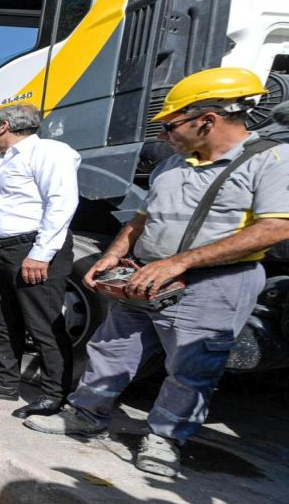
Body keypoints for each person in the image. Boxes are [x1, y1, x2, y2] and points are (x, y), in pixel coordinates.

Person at [25, 67, 289, 477]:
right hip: (145, 277)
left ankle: (165, 438)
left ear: (207, 119)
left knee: (191, 366)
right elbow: (141, 220)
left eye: (170, 125)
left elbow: (276, 227)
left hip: (215, 283)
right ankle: (86, 414)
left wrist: (179, 262)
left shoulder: (271, 160)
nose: (164, 136)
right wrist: (113, 254)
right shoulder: (171, 166)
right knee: (111, 348)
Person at [0, 103, 79, 418]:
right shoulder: (2, 162)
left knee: (42, 322)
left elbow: (61, 203)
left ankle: (54, 395)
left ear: (4, 126)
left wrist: (40, 254)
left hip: (31, 248)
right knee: (1, 318)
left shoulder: (49, 152)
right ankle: (5, 381)